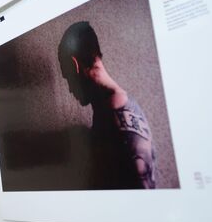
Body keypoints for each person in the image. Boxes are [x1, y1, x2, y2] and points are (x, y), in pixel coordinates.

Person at [58, 21, 157, 189]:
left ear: (74, 65)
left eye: (67, 78)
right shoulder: (108, 109)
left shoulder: (116, 111)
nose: (69, 89)